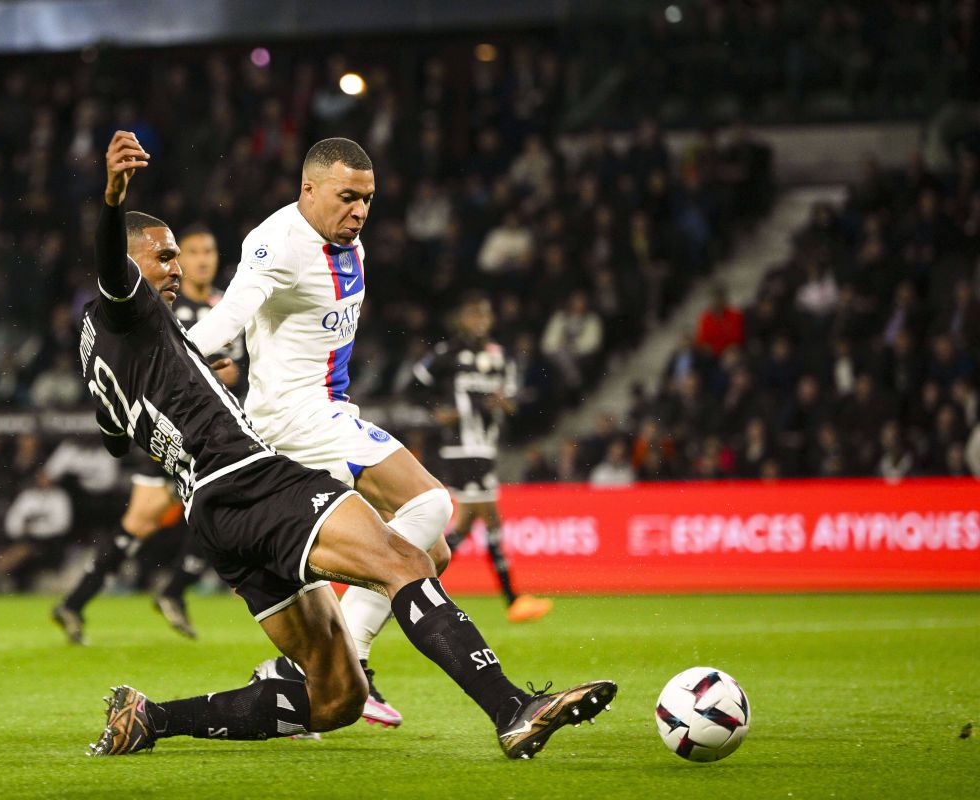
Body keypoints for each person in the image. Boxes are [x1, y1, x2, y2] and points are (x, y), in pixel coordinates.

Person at [81, 131, 615, 759]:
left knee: (337, 698)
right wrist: (113, 198)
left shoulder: (98, 350)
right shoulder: (133, 307)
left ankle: (149, 718)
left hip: (213, 512)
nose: (179, 270)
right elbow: (125, 277)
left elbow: (116, 437)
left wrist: (184, 381)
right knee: (407, 558)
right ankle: (511, 708)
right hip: (254, 476)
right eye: (164, 258)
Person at [187, 137, 457, 728]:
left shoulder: (347, 242)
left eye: (367, 199)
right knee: (430, 501)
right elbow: (230, 317)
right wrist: (169, 363)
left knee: (431, 550)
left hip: (330, 412)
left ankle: (311, 667)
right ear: (308, 189)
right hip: (294, 416)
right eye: (346, 197)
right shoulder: (274, 242)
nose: (359, 211)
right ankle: (352, 653)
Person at [52, 223, 238, 643]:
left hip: (208, 427)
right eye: (191, 253)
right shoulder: (158, 304)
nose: (202, 260)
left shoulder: (226, 308)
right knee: (159, 518)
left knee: (192, 512)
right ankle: (160, 592)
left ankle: (82, 602)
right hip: (168, 428)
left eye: (209, 251)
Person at [413, 293, 553, 623]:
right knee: (487, 517)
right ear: (463, 319)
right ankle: (512, 599)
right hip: (462, 447)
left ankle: (413, 587)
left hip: (486, 446)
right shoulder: (448, 354)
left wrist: (506, 405)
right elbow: (415, 385)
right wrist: (439, 412)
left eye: (484, 315)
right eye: (473, 315)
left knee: (469, 523)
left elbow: (513, 402)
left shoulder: (499, 356)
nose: (480, 321)